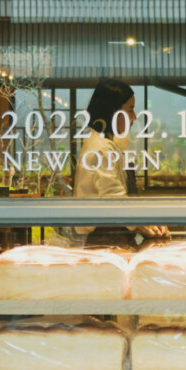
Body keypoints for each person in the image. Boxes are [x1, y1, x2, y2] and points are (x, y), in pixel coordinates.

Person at [67, 80, 165, 247]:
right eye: (130, 110)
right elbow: (115, 199)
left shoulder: (102, 143)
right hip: (107, 242)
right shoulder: (101, 148)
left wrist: (148, 223)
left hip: (111, 239)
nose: (134, 117)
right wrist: (146, 227)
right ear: (113, 111)